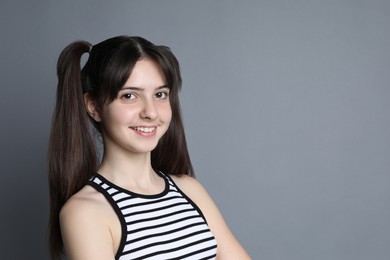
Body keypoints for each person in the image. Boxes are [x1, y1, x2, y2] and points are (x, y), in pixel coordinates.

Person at [48, 35, 251, 260]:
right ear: (93, 106)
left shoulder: (189, 189)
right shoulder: (84, 212)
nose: (151, 112)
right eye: (129, 96)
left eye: (160, 94)